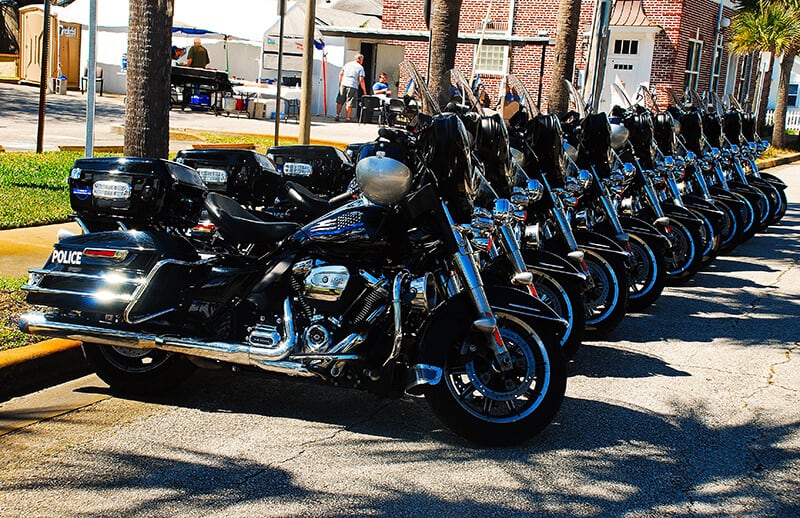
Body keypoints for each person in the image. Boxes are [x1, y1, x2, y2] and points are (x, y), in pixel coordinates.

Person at [335, 53, 367, 121]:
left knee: (340, 100)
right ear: (359, 59)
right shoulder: (360, 67)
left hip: (343, 84)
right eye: (362, 60)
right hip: (353, 85)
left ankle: (337, 115)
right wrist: (364, 91)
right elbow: (361, 80)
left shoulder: (347, 64)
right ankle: (347, 117)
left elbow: (341, 74)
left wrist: (340, 83)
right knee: (349, 101)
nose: (362, 61)